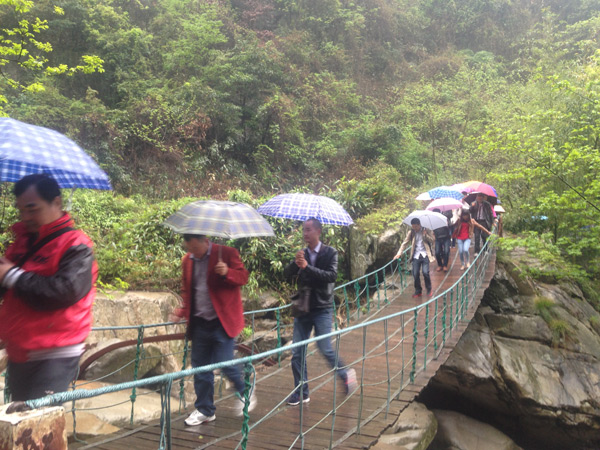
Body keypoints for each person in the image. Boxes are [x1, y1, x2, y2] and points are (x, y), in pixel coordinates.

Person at [0, 174, 97, 401]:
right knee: (18, 413)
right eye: (21, 210)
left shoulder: (77, 245)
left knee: (36, 417)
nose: (26, 217)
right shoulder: (22, 243)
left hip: (56, 351)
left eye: (32, 209)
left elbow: (65, 291)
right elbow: (9, 288)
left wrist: (12, 275)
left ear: (56, 202)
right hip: (20, 348)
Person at [170, 235, 256, 426]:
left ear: (205, 240)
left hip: (222, 321)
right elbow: (188, 291)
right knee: (200, 367)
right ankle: (205, 410)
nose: (192, 252)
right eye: (189, 248)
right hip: (200, 322)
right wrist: (181, 312)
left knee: (224, 361)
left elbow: (243, 277)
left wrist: (227, 272)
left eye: (195, 248)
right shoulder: (188, 260)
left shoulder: (226, 253)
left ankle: (244, 388)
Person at [283, 218, 357, 406]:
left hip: (322, 308)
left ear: (318, 231)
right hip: (303, 308)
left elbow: (331, 276)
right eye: (304, 230)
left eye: (308, 230)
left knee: (324, 347)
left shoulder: (330, 253)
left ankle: (345, 374)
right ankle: (301, 392)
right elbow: (287, 274)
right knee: (297, 352)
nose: (305, 233)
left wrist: (307, 267)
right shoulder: (302, 254)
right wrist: (295, 264)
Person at [394, 218, 436, 298]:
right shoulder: (411, 232)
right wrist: (399, 253)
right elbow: (405, 243)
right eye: (413, 227)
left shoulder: (426, 230)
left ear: (419, 225)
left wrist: (425, 235)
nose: (414, 228)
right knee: (415, 273)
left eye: (416, 227)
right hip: (416, 255)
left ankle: (429, 289)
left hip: (425, 255)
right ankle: (418, 290)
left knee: (425, 272)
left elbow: (432, 241)